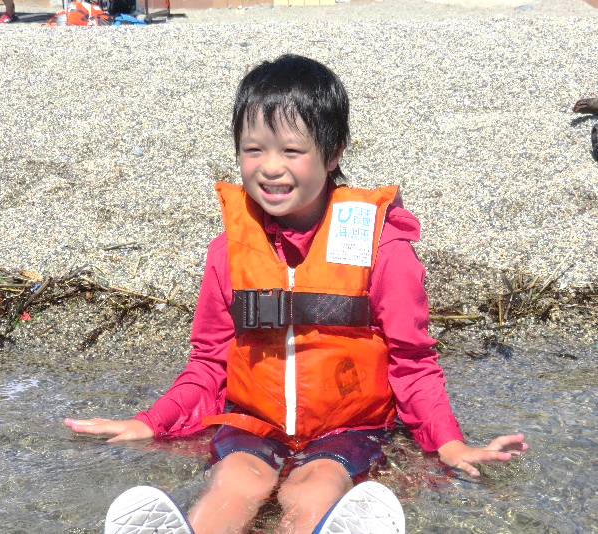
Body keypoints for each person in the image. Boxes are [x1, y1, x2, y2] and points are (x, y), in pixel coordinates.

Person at [64, 54, 528, 534]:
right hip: (253, 424)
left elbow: (413, 362)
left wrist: (448, 442)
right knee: (235, 480)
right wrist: (152, 421)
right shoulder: (228, 253)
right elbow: (208, 363)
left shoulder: (383, 249)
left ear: (333, 154)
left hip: (349, 428)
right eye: (253, 150)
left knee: (317, 484)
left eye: (291, 150)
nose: (270, 168)